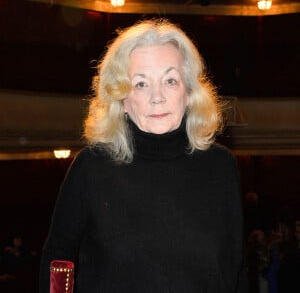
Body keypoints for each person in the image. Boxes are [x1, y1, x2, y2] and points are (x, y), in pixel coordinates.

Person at [39, 18, 247, 292]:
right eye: (140, 84)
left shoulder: (220, 165)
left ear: (189, 92)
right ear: (121, 99)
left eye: (170, 80)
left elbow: (236, 268)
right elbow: (59, 258)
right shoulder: (92, 167)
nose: (157, 97)